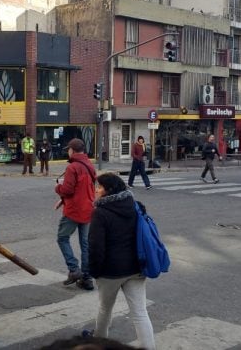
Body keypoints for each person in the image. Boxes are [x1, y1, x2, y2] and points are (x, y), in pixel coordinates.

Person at [84, 173, 156, 349]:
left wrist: (94, 271)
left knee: (105, 309)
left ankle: (98, 344)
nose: (96, 190)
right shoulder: (135, 206)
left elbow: (95, 247)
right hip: (136, 267)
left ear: (108, 190)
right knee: (140, 312)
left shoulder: (100, 213)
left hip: (111, 272)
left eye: (99, 187)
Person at [54, 138, 96, 291]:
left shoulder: (73, 167)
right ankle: (87, 278)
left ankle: (74, 269)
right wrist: (62, 201)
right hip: (88, 208)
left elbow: (68, 190)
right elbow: (83, 189)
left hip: (74, 210)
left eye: (68, 149)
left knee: (62, 238)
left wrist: (58, 188)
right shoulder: (89, 165)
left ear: (72, 150)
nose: (68, 151)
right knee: (85, 244)